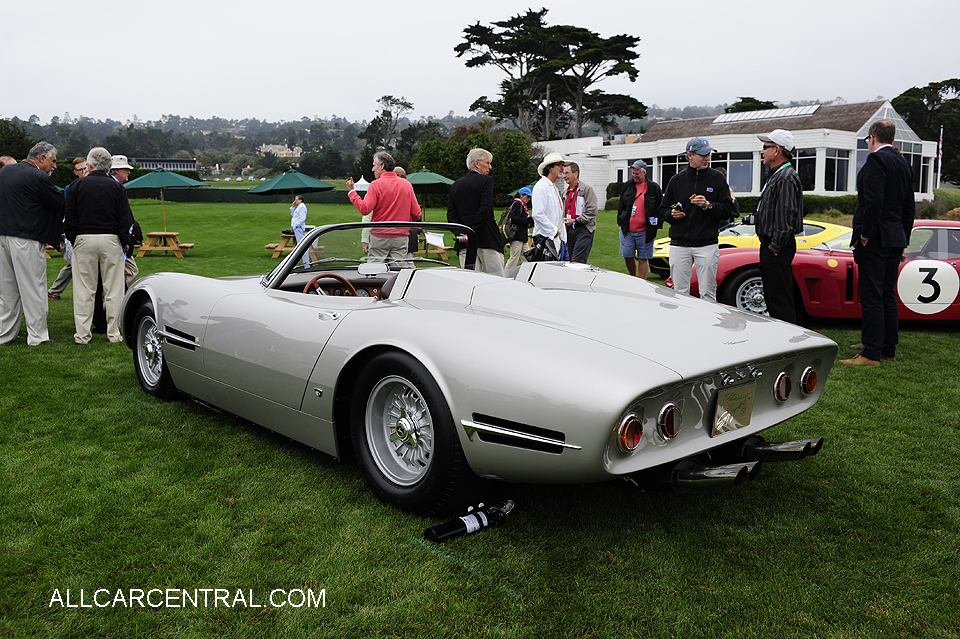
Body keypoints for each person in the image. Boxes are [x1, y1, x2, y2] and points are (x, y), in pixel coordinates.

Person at [839, 120, 916, 367]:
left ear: (872, 138)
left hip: (875, 238)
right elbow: (908, 207)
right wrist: (903, 238)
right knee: (886, 293)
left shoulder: (876, 160)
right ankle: (887, 348)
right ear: (891, 138)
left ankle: (870, 353)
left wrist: (864, 235)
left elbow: (873, 202)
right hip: (895, 238)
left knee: (871, 294)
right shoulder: (903, 163)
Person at [64, 147, 134, 344]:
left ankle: (83, 335)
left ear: (89, 165)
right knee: (114, 289)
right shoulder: (117, 188)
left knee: (84, 289)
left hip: (84, 239)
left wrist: (74, 240)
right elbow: (124, 219)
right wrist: (124, 241)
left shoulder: (77, 186)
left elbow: (69, 219)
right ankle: (114, 333)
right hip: (111, 239)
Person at [0, 141, 64, 346]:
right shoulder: (38, 176)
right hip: (26, 238)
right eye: (53, 161)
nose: (54, 166)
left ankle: (5, 334)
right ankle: (38, 337)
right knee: (33, 287)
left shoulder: (4, 173)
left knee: (7, 290)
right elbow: (60, 204)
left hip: (2, 236)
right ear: (41, 158)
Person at [660, 137, 734, 301]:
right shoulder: (676, 180)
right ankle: (683, 325)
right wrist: (672, 215)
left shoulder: (717, 178)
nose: (707, 157)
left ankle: (708, 326)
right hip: (679, 245)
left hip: (706, 245)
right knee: (679, 293)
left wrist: (708, 205)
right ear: (690, 156)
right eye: (702, 154)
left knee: (707, 293)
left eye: (708, 154)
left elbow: (728, 210)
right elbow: (663, 210)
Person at [755, 129, 804, 323]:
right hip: (772, 245)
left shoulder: (785, 177)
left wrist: (775, 247)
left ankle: (787, 343)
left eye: (765, 147)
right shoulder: (778, 175)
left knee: (779, 300)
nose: (762, 152)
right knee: (773, 297)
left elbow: (786, 216)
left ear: (777, 150)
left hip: (777, 246)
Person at [347, 151, 421, 264]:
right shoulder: (406, 185)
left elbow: (365, 209)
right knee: (399, 270)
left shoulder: (375, 185)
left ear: (382, 166)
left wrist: (352, 192)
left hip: (379, 236)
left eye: (374, 165)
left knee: (374, 271)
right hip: (401, 237)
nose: (372, 169)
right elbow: (416, 213)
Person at [447, 148, 503, 275]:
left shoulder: (455, 185)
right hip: (487, 240)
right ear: (477, 163)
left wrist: (461, 233)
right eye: (488, 163)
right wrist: (473, 232)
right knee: (498, 281)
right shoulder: (486, 181)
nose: (490, 167)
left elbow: (451, 215)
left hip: (464, 243)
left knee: (470, 283)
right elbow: (484, 209)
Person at [48, 157, 90, 301]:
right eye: (80, 169)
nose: (83, 171)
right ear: (75, 172)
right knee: (73, 264)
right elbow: (69, 212)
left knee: (74, 265)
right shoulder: (70, 188)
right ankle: (54, 290)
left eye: (85, 168)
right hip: (69, 233)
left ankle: (54, 290)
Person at [617, 160, 662, 279]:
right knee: (627, 255)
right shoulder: (628, 185)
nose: (634, 175)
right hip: (627, 230)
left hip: (645, 231)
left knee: (643, 257)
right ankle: (633, 278)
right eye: (633, 173)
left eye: (637, 173)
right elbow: (621, 204)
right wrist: (620, 219)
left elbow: (660, 207)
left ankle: (642, 283)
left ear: (644, 173)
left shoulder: (653, 188)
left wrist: (657, 224)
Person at [531, 152, 566, 261]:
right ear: (550, 168)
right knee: (547, 274)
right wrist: (553, 231)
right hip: (546, 239)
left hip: (557, 239)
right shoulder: (541, 186)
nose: (562, 168)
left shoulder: (552, 187)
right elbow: (537, 214)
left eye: (563, 165)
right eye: (559, 165)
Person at [562, 162, 598, 263]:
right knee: (570, 260)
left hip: (584, 229)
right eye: (564, 173)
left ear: (576, 174)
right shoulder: (565, 193)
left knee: (577, 262)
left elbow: (592, 210)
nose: (564, 176)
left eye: (567, 173)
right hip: (569, 230)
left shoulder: (586, 190)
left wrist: (575, 221)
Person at [504, 187, 534, 271]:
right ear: (521, 195)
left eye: (529, 197)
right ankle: (505, 276)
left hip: (522, 237)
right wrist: (530, 219)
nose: (528, 199)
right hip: (517, 236)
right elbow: (515, 219)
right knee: (514, 258)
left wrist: (531, 222)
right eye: (527, 196)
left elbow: (523, 222)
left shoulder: (522, 206)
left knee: (527, 258)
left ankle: (528, 274)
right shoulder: (517, 204)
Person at [290, 195, 309, 267]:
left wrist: (297, 225)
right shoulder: (299, 207)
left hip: (298, 227)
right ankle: (304, 263)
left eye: (296, 200)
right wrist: (292, 207)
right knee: (300, 245)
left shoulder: (302, 207)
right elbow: (294, 215)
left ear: (300, 200)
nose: (295, 201)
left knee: (302, 245)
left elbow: (302, 218)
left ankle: (306, 264)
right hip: (296, 227)